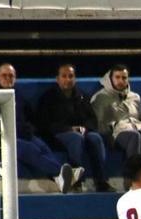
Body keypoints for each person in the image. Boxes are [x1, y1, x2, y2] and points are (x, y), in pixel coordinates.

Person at [0, 63, 79, 193]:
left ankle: (59, 179)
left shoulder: (18, 96)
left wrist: (30, 130)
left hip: (22, 135)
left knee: (43, 147)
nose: (8, 78)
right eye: (4, 75)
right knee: (30, 149)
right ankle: (67, 174)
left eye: (11, 76)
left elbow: (31, 118)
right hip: (2, 139)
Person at [36, 63, 111, 192]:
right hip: (57, 135)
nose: (67, 79)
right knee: (75, 138)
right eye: (64, 76)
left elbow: (92, 120)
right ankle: (76, 182)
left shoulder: (82, 96)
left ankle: (101, 181)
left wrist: (84, 128)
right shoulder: (48, 97)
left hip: (81, 133)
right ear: (58, 79)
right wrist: (70, 129)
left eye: (70, 76)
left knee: (95, 138)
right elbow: (45, 124)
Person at [91, 64, 141, 161]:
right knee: (134, 136)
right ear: (110, 79)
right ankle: (133, 174)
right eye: (117, 77)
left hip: (138, 127)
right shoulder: (100, 98)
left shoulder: (135, 97)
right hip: (116, 133)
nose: (121, 80)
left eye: (124, 78)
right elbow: (99, 125)